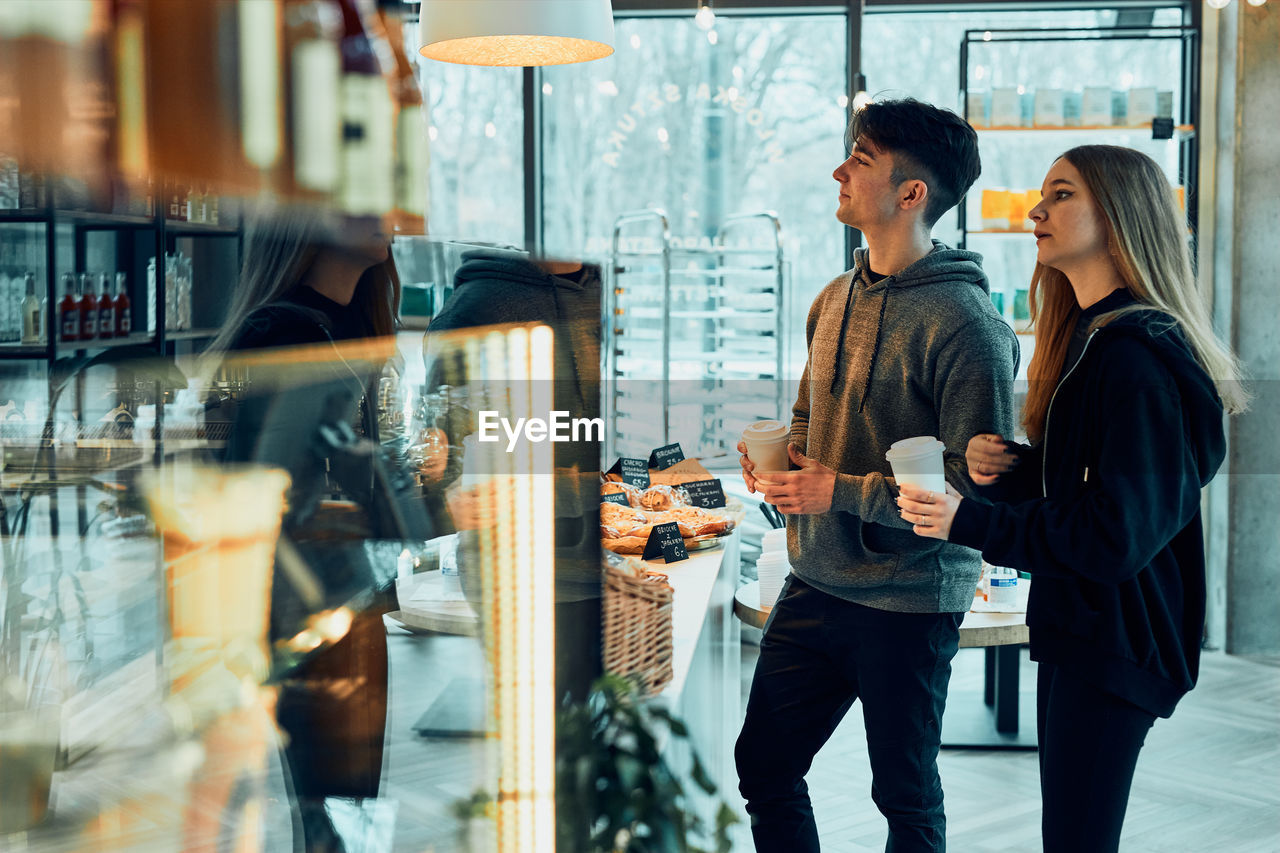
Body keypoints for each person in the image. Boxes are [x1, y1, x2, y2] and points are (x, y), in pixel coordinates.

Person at [897, 145, 1248, 853]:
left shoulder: (1133, 359)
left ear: (1118, 217)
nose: (1035, 210)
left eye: (1060, 194)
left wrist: (971, 519)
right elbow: (1107, 484)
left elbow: (1114, 535)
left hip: (1114, 638)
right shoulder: (1097, 338)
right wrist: (1022, 471)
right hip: (1082, 626)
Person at [735, 98, 1019, 852]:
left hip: (910, 599)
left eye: (859, 158)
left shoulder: (968, 324)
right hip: (816, 578)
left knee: (904, 795)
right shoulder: (834, 298)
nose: (839, 170)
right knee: (762, 765)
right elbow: (806, 416)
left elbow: (974, 485)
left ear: (912, 192)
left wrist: (839, 490)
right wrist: (783, 463)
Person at [207, 207, 407, 853]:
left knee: (347, 810)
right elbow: (268, 494)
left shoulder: (355, 321)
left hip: (345, 597)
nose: (388, 213)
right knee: (335, 818)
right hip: (307, 604)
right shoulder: (280, 333)